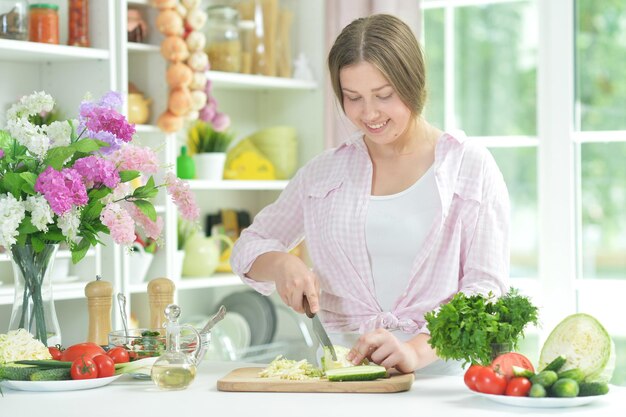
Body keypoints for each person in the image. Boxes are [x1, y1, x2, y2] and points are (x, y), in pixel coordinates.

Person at [230, 14, 509, 375]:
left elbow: (486, 288)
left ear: (414, 83)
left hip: (440, 378)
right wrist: (282, 264)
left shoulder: (468, 165)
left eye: (384, 95)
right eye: (353, 98)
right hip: (341, 377)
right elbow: (248, 247)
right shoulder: (324, 172)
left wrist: (415, 351)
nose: (369, 113)